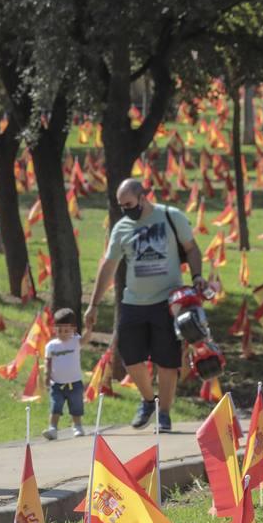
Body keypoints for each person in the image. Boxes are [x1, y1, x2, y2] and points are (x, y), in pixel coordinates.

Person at [85, 179, 204, 433]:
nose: (125, 210)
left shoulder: (172, 217)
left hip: (167, 302)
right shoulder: (122, 228)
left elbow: (192, 249)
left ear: (143, 197)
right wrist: (93, 304)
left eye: (128, 204)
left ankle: (164, 414)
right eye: (121, 206)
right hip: (133, 302)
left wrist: (196, 278)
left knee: (167, 361)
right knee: (131, 357)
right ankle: (149, 401)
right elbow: (108, 266)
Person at [42, 307, 85, 440]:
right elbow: (48, 363)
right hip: (57, 385)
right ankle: (53, 428)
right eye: (59, 330)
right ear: (54, 328)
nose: (62, 333)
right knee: (55, 407)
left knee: (76, 407)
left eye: (66, 330)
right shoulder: (51, 346)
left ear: (73, 329)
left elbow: (87, 338)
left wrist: (89, 326)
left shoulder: (76, 341)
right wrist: (46, 377)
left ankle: (77, 426)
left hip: (75, 383)